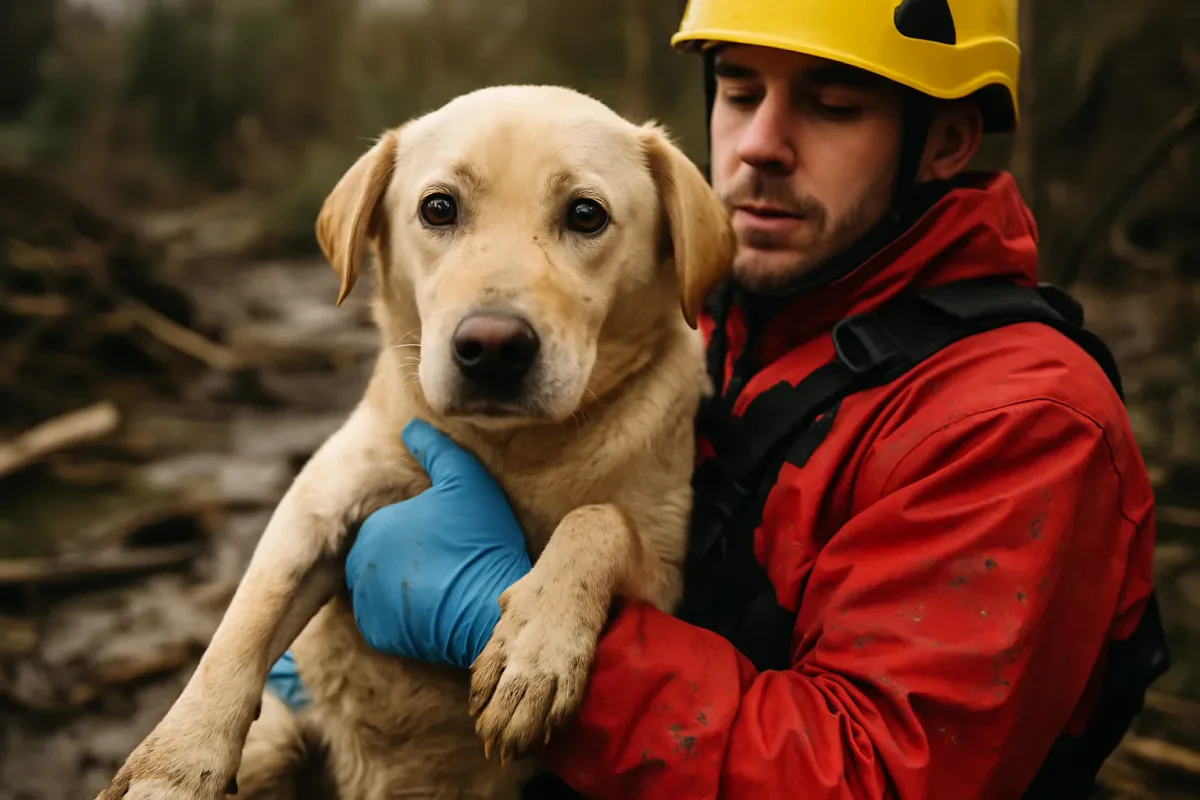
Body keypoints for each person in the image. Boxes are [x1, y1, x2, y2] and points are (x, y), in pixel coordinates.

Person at [268, 1, 1172, 798]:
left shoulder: (1020, 423)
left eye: (832, 106)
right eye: (740, 92)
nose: (760, 146)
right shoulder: (723, 311)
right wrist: (340, 662)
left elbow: (873, 779)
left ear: (945, 141)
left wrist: (494, 618)